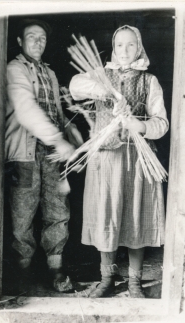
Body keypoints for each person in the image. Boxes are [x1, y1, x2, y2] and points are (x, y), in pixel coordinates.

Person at [69, 25, 169, 298]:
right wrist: (108, 93)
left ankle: (135, 281)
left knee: (136, 217)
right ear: (114, 47)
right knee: (107, 216)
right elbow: (75, 86)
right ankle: (107, 279)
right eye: (120, 45)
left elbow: (161, 124)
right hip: (106, 158)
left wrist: (137, 124)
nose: (125, 51)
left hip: (139, 160)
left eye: (131, 45)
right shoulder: (102, 74)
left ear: (139, 47)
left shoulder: (150, 81)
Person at [5, 19, 83, 292]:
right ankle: (22, 273)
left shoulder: (49, 73)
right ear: (19, 41)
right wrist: (57, 139)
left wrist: (71, 133)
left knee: (57, 211)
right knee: (23, 215)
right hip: (25, 153)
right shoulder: (15, 69)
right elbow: (26, 109)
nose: (38, 42)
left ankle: (56, 270)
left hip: (52, 154)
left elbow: (56, 113)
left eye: (42, 38)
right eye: (31, 37)